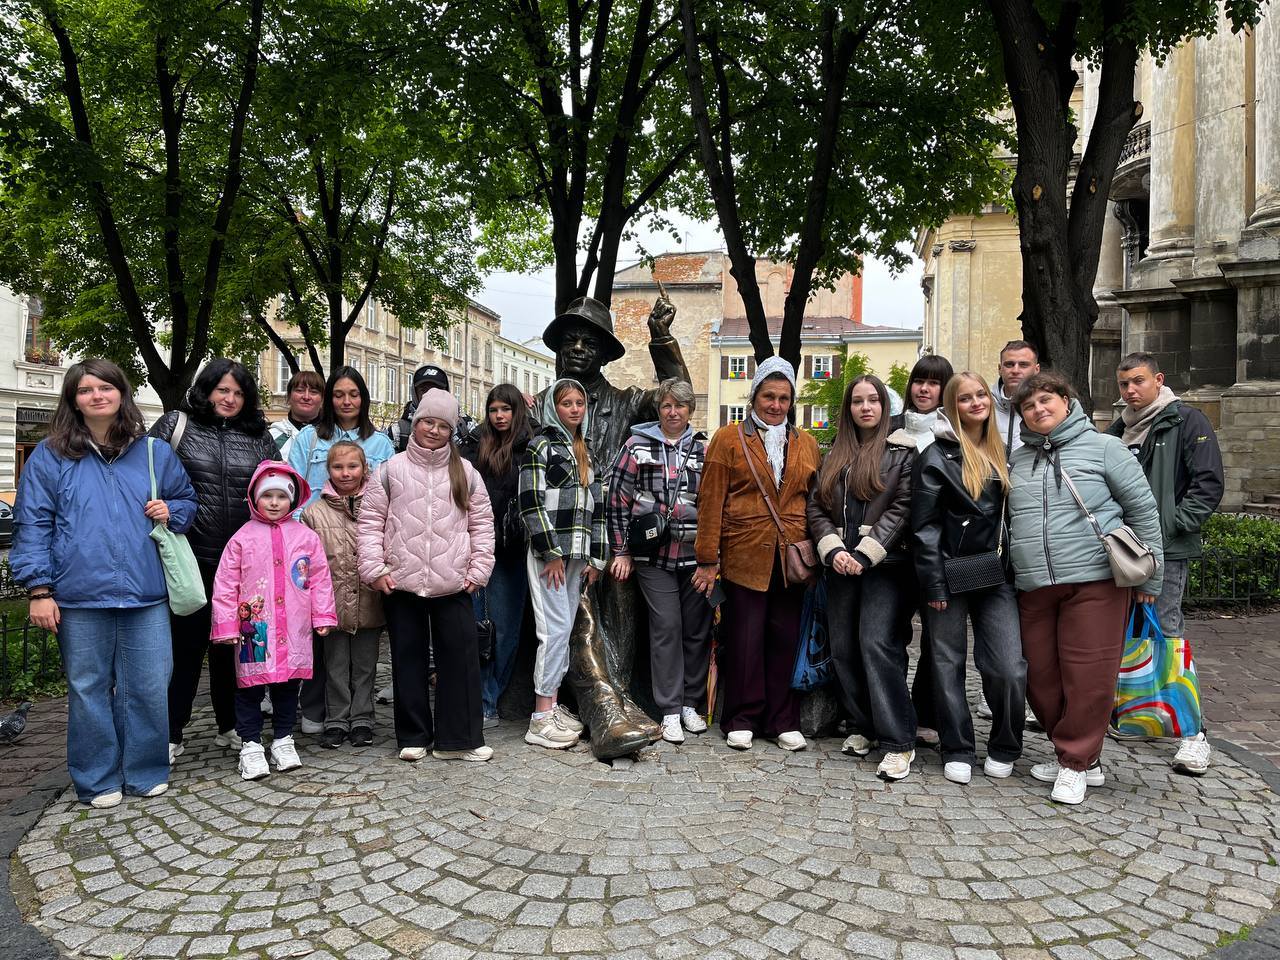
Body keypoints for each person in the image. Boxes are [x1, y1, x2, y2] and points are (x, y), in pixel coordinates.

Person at [12, 360, 197, 808]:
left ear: (121, 394)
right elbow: (32, 523)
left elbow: (187, 500)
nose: (97, 395)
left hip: (145, 593)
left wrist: (172, 511)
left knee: (148, 687)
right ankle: (97, 780)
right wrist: (39, 590)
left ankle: (145, 770)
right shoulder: (51, 456)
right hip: (78, 596)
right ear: (73, 400)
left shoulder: (154, 453)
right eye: (85, 390)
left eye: (105, 387)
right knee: (88, 689)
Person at [530, 294, 692, 759]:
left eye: (589, 341)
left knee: (619, 605)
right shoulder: (540, 406)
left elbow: (676, 393)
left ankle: (617, 700)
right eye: (570, 340)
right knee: (578, 612)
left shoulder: (626, 402)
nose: (578, 348)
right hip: (563, 539)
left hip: (611, 536)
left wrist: (661, 338)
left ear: (604, 353)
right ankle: (605, 713)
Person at [1008, 371, 1163, 805]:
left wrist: (1151, 579)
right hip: (1035, 584)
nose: (1038, 409)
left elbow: (1143, 512)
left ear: (1066, 400)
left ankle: (1075, 762)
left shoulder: (1105, 448)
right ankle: (1080, 754)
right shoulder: (1018, 459)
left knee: (1088, 675)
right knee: (1039, 675)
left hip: (1095, 581)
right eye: (1028, 406)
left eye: (1046, 400)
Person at [149, 358, 280, 764]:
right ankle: (171, 731)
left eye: (238, 392)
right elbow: (144, 473)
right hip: (191, 557)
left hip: (243, 563)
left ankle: (231, 725)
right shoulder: (177, 426)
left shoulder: (259, 437)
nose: (230, 399)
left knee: (235, 649)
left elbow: (278, 486)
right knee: (184, 650)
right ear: (206, 390)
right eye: (223, 389)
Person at [357, 390, 495, 763]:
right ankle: (413, 734)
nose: (433, 430)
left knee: (460, 660)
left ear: (452, 431)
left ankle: (459, 739)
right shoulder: (391, 470)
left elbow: (482, 524)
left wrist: (479, 568)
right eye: (427, 422)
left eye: (442, 426)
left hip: (453, 581)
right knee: (408, 659)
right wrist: (374, 568)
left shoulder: (466, 472)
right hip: (402, 581)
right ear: (416, 423)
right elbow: (370, 523)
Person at [693, 357, 821, 752]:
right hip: (744, 553)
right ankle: (742, 717)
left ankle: (782, 719)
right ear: (754, 397)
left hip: (791, 557)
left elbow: (814, 502)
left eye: (784, 398)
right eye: (769, 396)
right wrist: (707, 559)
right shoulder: (728, 439)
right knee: (745, 639)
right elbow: (710, 501)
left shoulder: (806, 443)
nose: (776, 405)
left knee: (785, 639)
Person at [1108, 353, 1224, 775]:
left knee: (1166, 633)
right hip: (1122, 549)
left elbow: (1208, 483)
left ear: (1158, 379)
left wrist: (1172, 526)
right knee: (1128, 631)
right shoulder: (1119, 429)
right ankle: (1138, 711)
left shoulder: (1186, 421)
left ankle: (1194, 735)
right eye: (1124, 384)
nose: (1130, 390)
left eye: (1138, 381)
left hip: (1165, 551)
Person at [911, 372, 1026, 785]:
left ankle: (1005, 744)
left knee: (1009, 666)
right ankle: (957, 746)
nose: (976, 402)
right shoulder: (935, 455)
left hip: (996, 573)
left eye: (981, 395)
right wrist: (934, 584)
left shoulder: (1006, 451)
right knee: (947, 663)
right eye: (965, 398)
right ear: (951, 406)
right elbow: (924, 528)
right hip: (948, 571)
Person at [808, 375, 918, 778]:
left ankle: (898, 741)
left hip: (886, 568)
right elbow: (816, 508)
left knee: (877, 644)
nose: (866, 407)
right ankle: (863, 725)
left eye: (873, 400)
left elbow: (902, 507)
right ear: (848, 408)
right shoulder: (833, 454)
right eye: (858, 401)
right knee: (843, 648)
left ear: (884, 407)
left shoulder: (902, 452)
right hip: (840, 567)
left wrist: (865, 553)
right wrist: (834, 550)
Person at [210, 462, 337, 779]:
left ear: (292, 500)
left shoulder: (306, 537)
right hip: (255, 628)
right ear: (255, 498)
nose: (275, 502)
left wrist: (322, 614)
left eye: (282, 496)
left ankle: (283, 738)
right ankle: (250, 744)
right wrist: (226, 625)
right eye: (268, 496)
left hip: (294, 626)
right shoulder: (242, 539)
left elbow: (319, 579)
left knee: (288, 686)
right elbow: (226, 584)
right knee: (250, 688)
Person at [288, 365, 394, 733]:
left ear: (363, 398)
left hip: (362, 547)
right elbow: (294, 491)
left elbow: (389, 498)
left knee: (362, 643)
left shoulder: (380, 444)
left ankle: (358, 714)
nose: (346, 401)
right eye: (338, 394)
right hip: (318, 543)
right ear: (329, 399)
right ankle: (319, 710)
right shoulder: (309, 438)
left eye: (353, 394)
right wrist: (304, 536)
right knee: (321, 637)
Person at [607, 379, 712, 744]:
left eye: (680, 406)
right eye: (667, 405)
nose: (673, 412)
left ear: (690, 410)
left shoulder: (703, 448)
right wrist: (621, 550)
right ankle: (669, 708)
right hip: (652, 555)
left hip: (694, 556)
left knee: (696, 630)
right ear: (659, 409)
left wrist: (713, 557)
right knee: (666, 626)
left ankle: (690, 704)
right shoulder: (637, 445)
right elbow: (617, 499)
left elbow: (714, 502)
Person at [519, 379, 606, 749]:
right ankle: (540, 718)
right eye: (567, 403)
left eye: (579, 403)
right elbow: (531, 502)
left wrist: (596, 558)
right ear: (554, 407)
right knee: (552, 632)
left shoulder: (586, 451)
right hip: (549, 558)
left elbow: (597, 510)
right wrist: (550, 552)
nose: (574, 409)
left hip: (577, 556)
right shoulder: (540, 446)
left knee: (564, 630)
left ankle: (552, 705)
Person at [301, 442, 386, 748]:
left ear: (364, 468)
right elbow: (307, 564)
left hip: (369, 601)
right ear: (328, 470)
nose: (345, 473)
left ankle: (362, 718)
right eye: (338, 467)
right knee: (335, 667)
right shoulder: (314, 514)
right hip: (331, 605)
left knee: (365, 666)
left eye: (352, 466)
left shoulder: (378, 507)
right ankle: (336, 719)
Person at [459, 383, 534, 728]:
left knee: (505, 629)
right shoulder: (475, 445)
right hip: (475, 547)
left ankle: (490, 697)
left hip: (511, 549)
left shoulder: (531, 446)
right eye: (494, 410)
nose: (500, 416)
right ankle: (477, 697)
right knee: (476, 628)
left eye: (506, 409)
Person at [895, 353, 954, 744]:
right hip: (893, 551)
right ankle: (894, 712)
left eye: (934, 383)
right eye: (919, 380)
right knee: (890, 635)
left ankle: (928, 713)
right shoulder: (892, 428)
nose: (924, 389)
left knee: (937, 640)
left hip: (938, 553)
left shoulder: (955, 435)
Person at [386, 364, 477, 452]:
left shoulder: (465, 425)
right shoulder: (398, 432)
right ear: (415, 393)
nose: (430, 395)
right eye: (424, 390)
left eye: (436, 390)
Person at [992, 340, 1040, 463]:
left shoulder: (1045, 408)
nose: (1015, 370)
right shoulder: (983, 406)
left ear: (1036, 369)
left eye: (1023, 365)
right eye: (1009, 364)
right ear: (999, 369)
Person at [268, 369, 325, 460]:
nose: (306, 397)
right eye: (300, 390)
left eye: (313, 392)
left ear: (322, 400)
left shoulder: (333, 437)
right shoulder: (271, 437)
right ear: (289, 397)